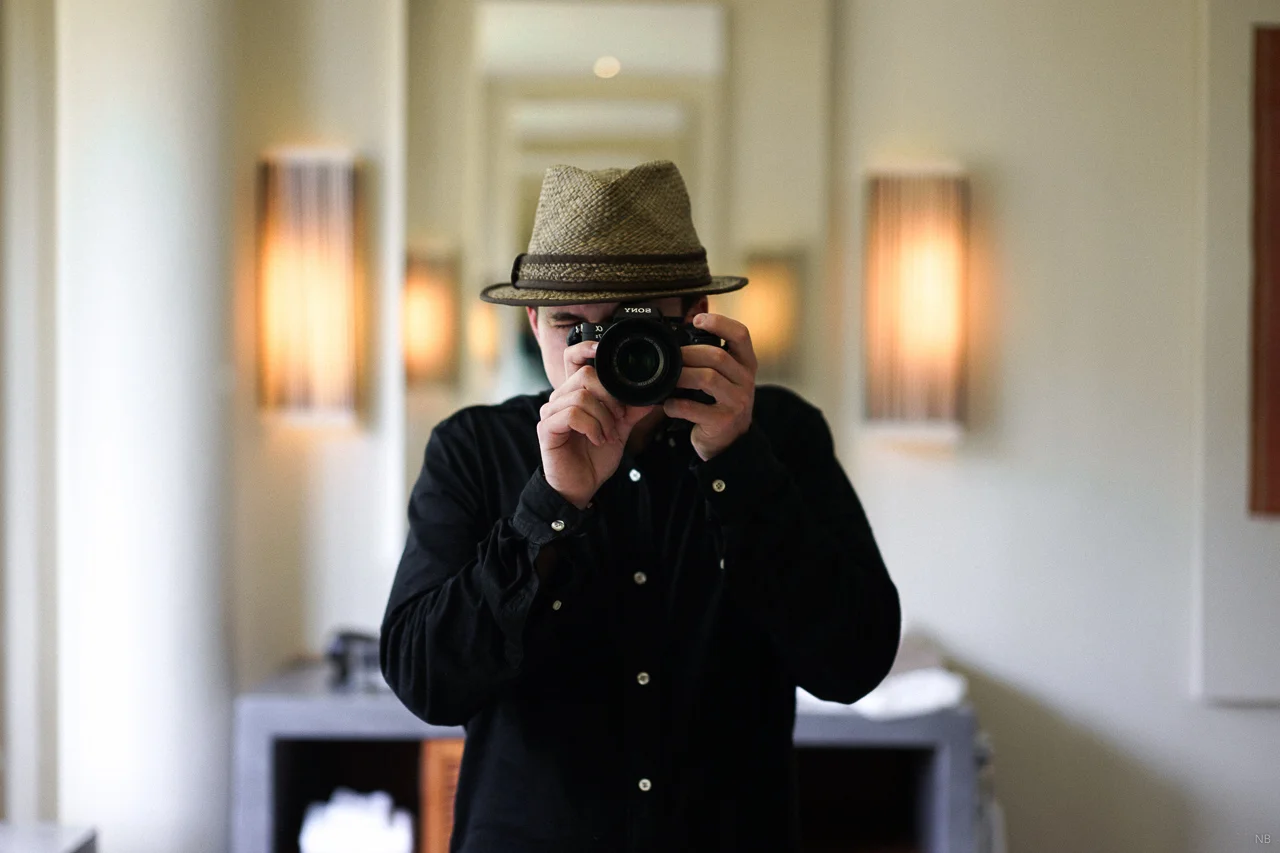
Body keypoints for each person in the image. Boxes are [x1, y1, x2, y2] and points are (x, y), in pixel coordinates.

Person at [381, 160, 901, 853]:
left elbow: (855, 663)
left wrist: (737, 463)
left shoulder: (778, 435)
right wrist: (552, 503)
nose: (598, 356)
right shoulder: (473, 449)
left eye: (632, 326)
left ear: (694, 316)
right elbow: (425, 683)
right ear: (533, 323)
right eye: (572, 325)